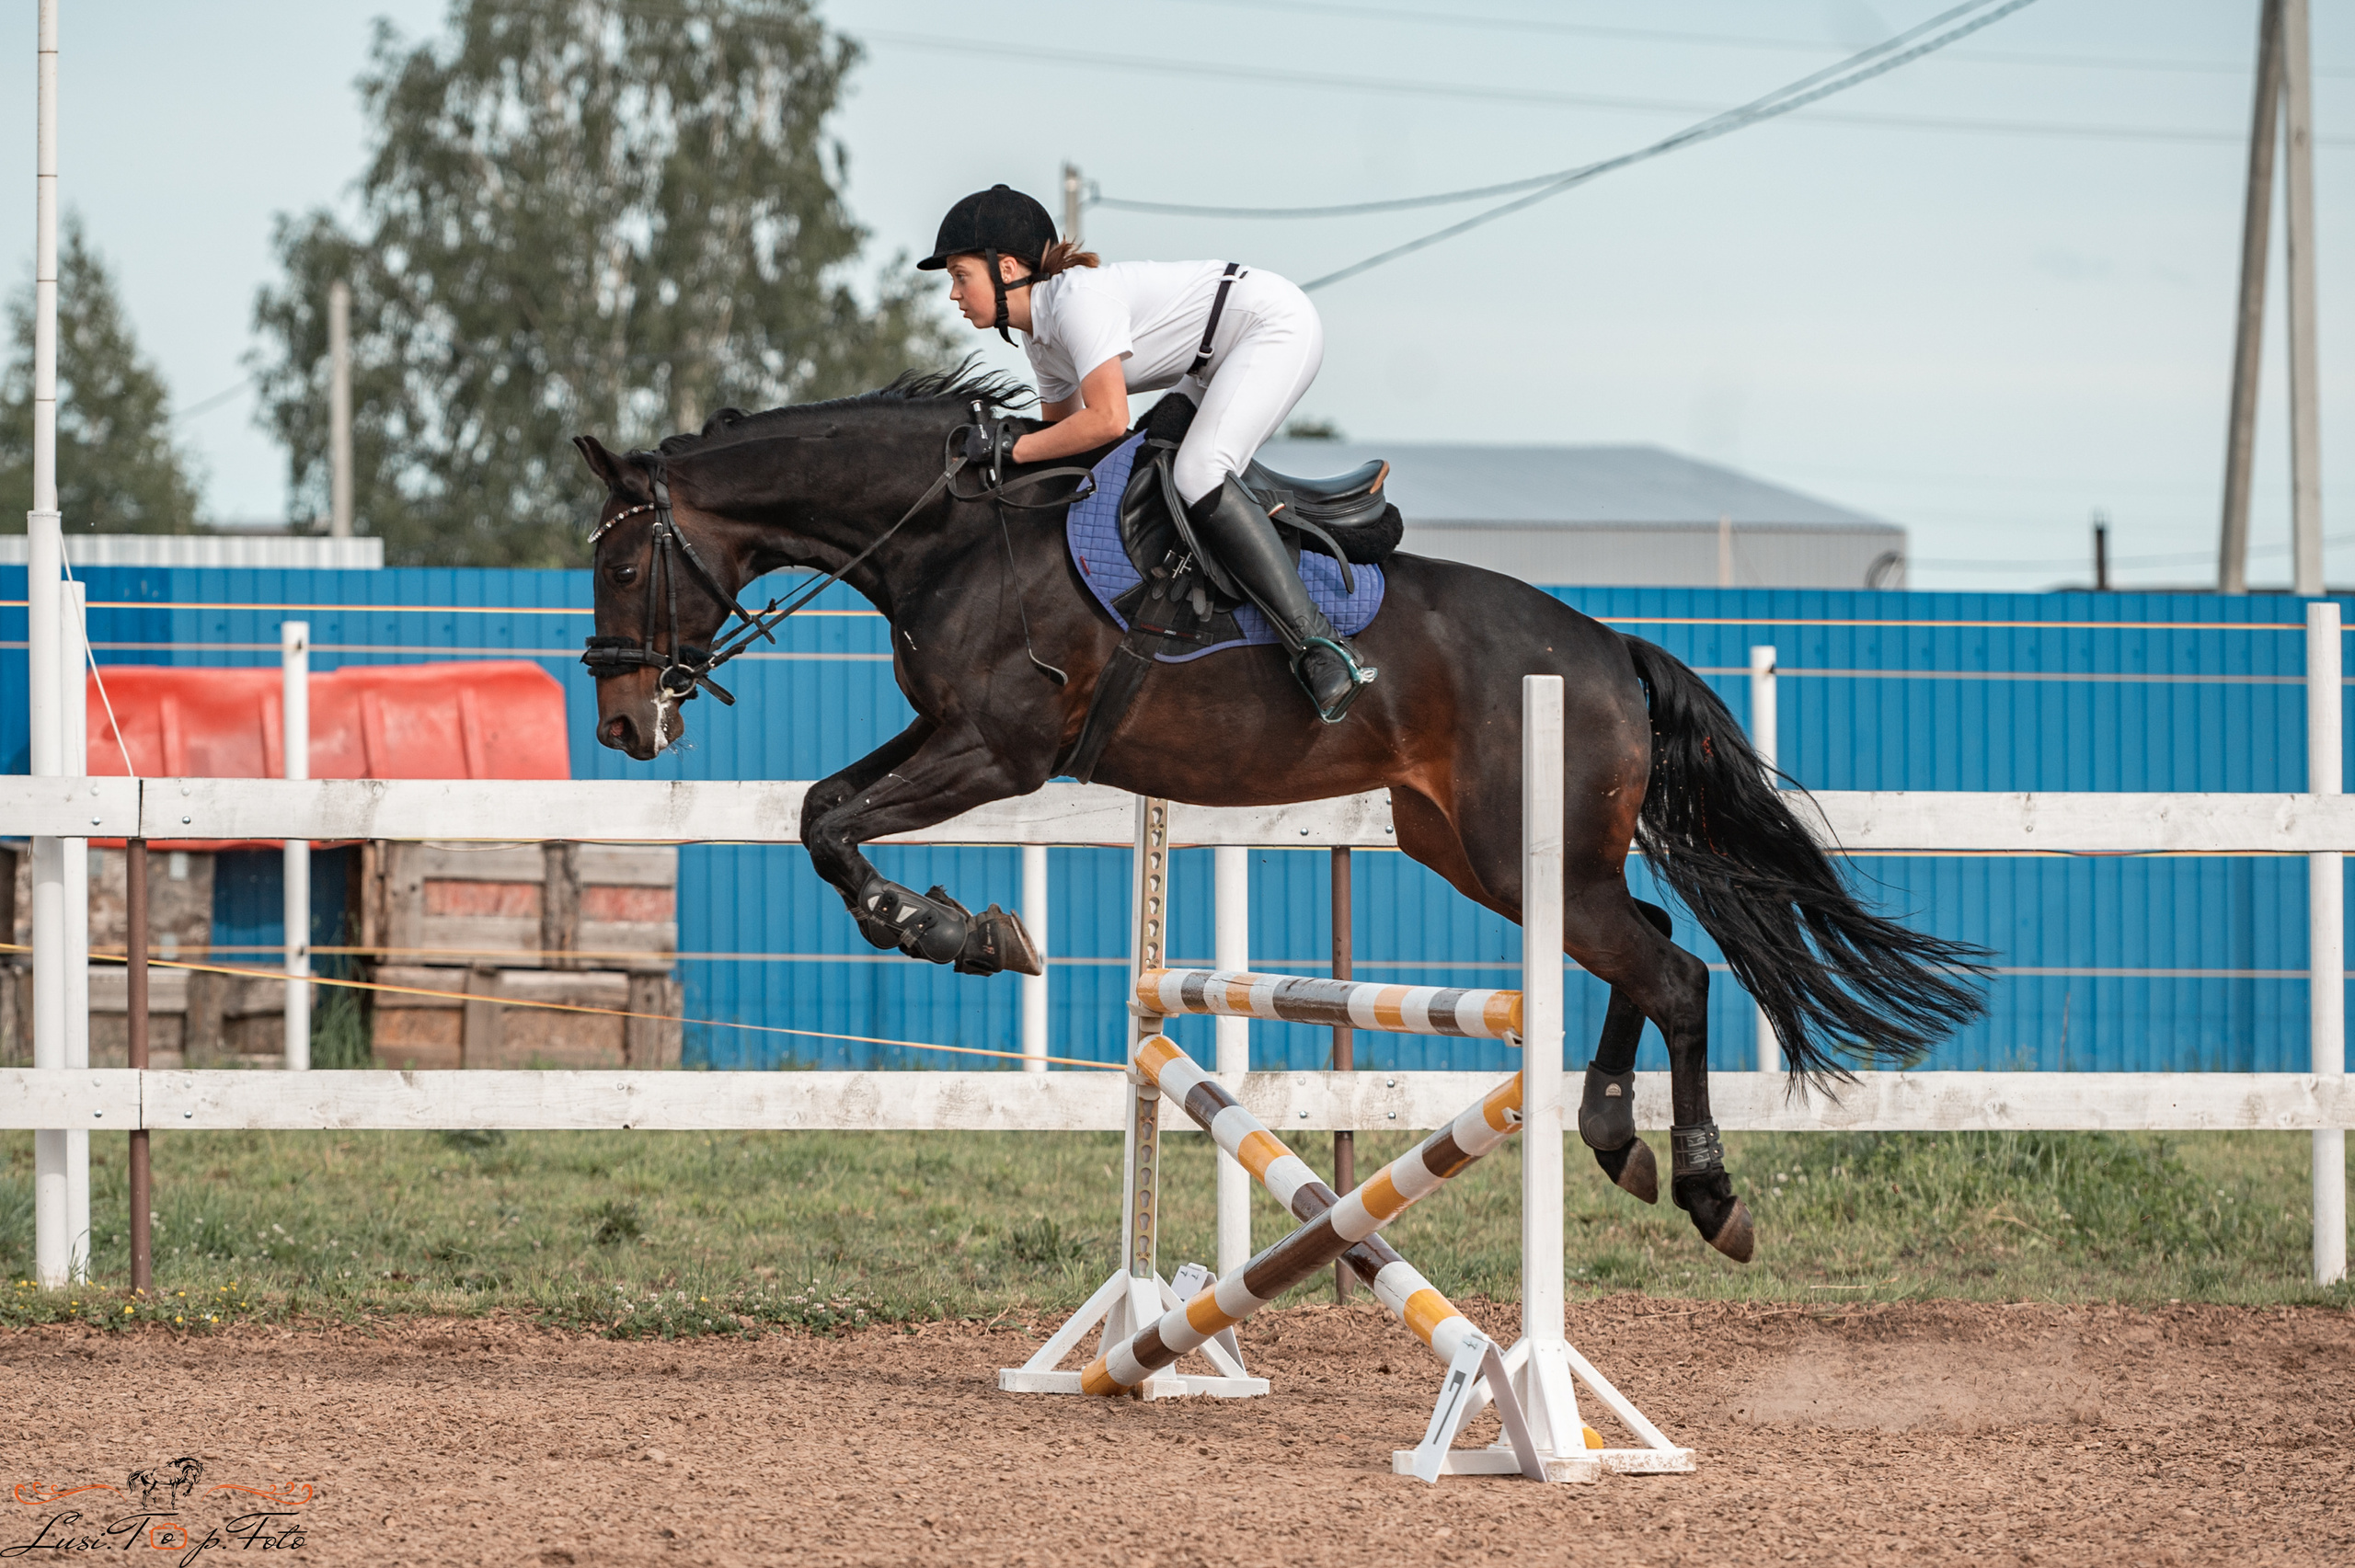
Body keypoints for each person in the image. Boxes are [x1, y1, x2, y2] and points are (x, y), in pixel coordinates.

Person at [917, 184, 1376, 723]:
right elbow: (1065, 443)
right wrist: (998, 457)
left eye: (960, 276)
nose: (953, 294)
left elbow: (1107, 419)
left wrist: (1011, 447)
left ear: (1008, 269)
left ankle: (1320, 647)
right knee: (1161, 453)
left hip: (1272, 327)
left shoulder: (1073, 301)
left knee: (1199, 472)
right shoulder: (1041, 339)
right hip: (1214, 360)